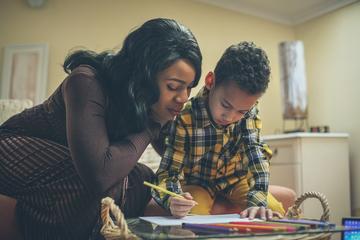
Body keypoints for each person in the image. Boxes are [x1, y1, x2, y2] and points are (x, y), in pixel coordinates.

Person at [0, 18, 202, 240]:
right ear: (143, 76)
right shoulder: (86, 80)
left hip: (77, 168)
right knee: (103, 186)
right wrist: (152, 123)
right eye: (173, 87)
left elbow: (178, 157)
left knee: (143, 178)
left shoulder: (150, 102)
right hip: (12, 148)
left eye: (189, 88)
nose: (182, 98)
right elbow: (100, 175)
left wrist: (176, 196)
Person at [152, 41, 291, 220]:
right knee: (192, 218)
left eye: (241, 111)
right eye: (225, 105)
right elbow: (168, 173)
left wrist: (257, 201)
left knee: (273, 212)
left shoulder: (249, 114)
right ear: (210, 82)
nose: (230, 117)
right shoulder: (185, 117)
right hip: (198, 183)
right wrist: (171, 198)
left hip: (237, 180)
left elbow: (256, 155)